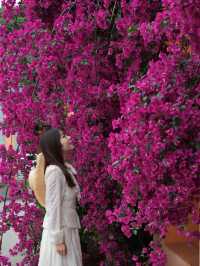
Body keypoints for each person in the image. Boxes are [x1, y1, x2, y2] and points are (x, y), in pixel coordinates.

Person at [38, 128, 82, 266]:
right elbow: (52, 207)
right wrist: (58, 240)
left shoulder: (64, 169)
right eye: (63, 136)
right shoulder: (55, 171)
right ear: (56, 144)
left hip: (68, 230)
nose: (68, 137)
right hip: (61, 233)